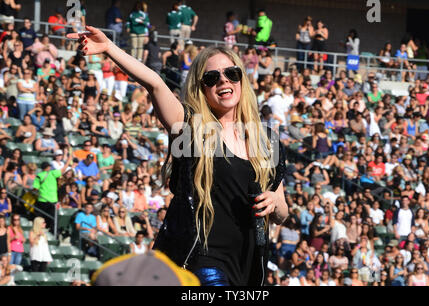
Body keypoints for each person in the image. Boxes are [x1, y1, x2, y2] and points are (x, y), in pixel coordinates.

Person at [69, 25, 288, 287]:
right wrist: (109, 48)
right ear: (201, 87)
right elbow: (155, 83)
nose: (223, 81)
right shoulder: (191, 129)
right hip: (202, 261)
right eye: (211, 78)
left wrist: (275, 200)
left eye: (231, 73)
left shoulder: (268, 140)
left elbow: (282, 213)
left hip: (250, 266)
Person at [33, 158, 71, 231]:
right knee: (53, 218)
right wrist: (69, 160)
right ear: (48, 167)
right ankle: (53, 233)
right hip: (53, 200)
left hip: (42, 199)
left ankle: (39, 230)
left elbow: (35, 189)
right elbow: (64, 169)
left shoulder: (39, 175)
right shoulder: (53, 173)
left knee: (40, 217)